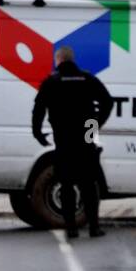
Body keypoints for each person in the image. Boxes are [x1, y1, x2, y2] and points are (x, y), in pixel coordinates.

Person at [31, 46, 114, 238]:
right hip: (86, 138)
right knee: (89, 184)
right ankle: (94, 227)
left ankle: (71, 228)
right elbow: (107, 102)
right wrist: (94, 127)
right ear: (73, 59)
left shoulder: (51, 82)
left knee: (66, 184)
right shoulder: (87, 79)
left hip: (64, 139)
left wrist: (38, 133)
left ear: (58, 60)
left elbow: (38, 110)